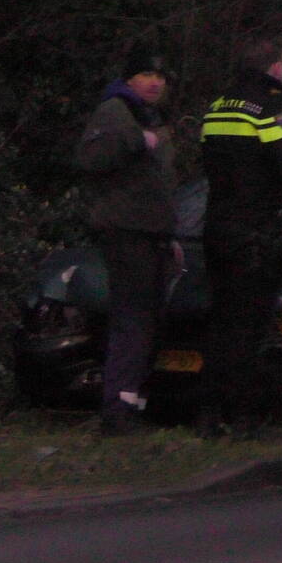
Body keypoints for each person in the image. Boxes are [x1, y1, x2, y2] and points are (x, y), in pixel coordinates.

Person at [197, 38, 282, 433]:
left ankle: (208, 414)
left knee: (221, 323)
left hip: (218, 225)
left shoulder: (217, 106)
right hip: (256, 229)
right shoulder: (273, 107)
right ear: (274, 67)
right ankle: (244, 418)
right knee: (252, 326)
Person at [75, 44, 179, 434]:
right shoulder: (115, 111)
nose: (155, 83)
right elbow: (90, 159)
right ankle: (117, 411)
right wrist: (137, 141)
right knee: (132, 322)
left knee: (148, 323)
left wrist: (169, 234)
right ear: (129, 79)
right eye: (147, 75)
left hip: (152, 233)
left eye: (160, 77)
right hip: (127, 233)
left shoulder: (149, 115)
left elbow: (160, 184)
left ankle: (132, 405)